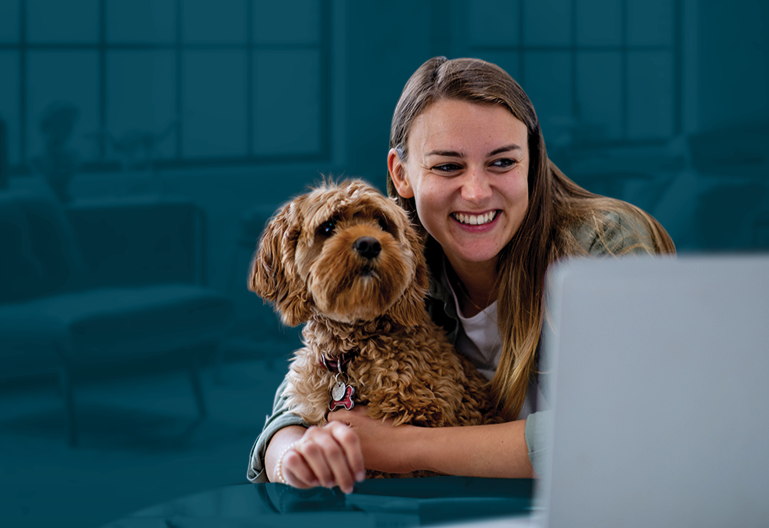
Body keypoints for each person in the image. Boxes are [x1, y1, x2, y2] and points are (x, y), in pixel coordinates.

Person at [248, 56, 675, 492]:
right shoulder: (405, 257)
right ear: (401, 174)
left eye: (503, 163)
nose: (475, 192)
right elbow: (323, 369)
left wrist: (407, 447)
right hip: (470, 518)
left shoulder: (607, 245)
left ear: (532, 161)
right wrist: (291, 453)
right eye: (447, 166)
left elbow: (630, 431)